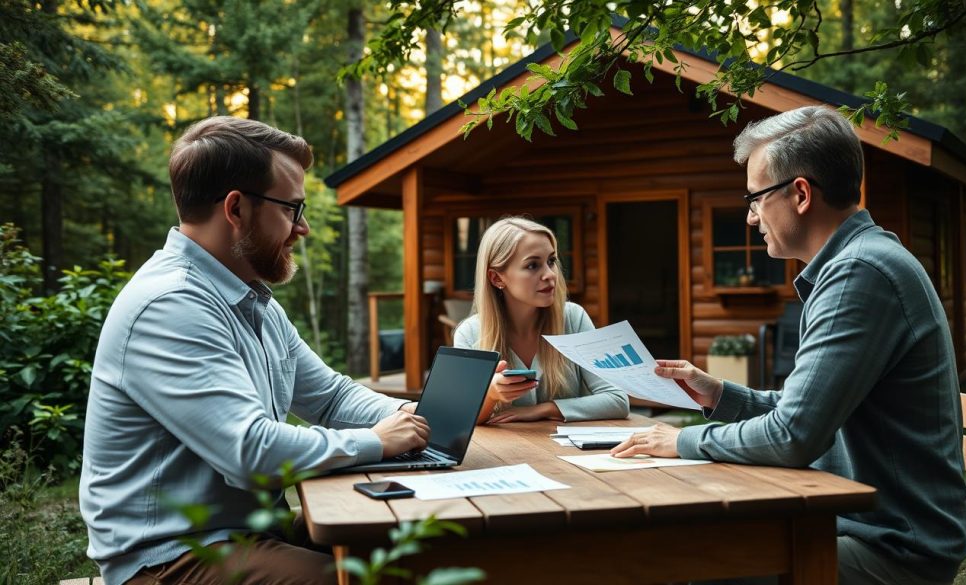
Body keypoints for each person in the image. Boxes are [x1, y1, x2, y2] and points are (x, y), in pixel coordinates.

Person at [611, 106, 966, 584]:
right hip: (856, 525)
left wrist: (679, 440)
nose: (749, 215)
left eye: (756, 197)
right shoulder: (861, 262)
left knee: (683, 562)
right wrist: (721, 395)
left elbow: (792, 435)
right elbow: (806, 411)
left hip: (891, 549)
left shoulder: (859, 273)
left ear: (800, 194)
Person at [79, 116, 430, 585]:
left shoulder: (248, 298)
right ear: (236, 208)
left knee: (412, 549)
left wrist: (414, 415)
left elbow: (330, 398)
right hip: (170, 558)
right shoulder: (171, 305)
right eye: (292, 208)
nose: (301, 228)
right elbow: (250, 450)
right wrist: (377, 440)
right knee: (379, 578)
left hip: (242, 536)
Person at [454, 217, 629, 424]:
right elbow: (462, 419)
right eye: (532, 265)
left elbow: (617, 400)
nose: (550, 275)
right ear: (496, 278)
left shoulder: (574, 318)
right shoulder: (470, 333)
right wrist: (491, 394)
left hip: (567, 453)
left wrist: (543, 409)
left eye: (551, 261)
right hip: (505, 454)